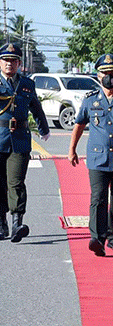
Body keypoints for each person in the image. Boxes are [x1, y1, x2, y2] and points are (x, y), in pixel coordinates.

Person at [68, 54, 113, 256]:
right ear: (98, 76)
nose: (110, 77)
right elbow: (79, 125)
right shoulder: (90, 100)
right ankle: (97, 239)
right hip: (97, 158)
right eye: (105, 73)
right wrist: (72, 149)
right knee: (98, 198)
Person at [0, 43, 49, 242]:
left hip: (19, 139)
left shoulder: (27, 84)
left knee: (16, 182)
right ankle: (1, 223)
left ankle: (17, 223)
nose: (9, 64)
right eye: (5, 60)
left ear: (19, 63)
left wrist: (44, 128)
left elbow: (35, 107)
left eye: (13, 61)